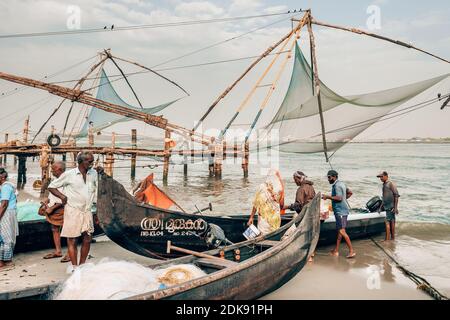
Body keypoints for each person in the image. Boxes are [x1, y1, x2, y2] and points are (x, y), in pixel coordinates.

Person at [48, 151, 98, 273]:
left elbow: (96, 190)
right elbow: (52, 186)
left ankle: (82, 265)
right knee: (73, 239)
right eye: (89, 161)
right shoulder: (69, 174)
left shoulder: (94, 173)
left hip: (87, 210)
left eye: (92, 161)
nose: (92, 164)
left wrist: (98, 209)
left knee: (87, 238)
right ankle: (75, 267)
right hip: (72, 210)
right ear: (80, 161)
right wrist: (62, 197)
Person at [39, 161, 70, 262]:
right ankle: (58, 251)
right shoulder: (56, 180)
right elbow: (53, 194)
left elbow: (66, 198)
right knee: (54, 228)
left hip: (63, 208)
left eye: (53, 169)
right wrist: (47, 201)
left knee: (69, 230)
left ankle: (70, 253)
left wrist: (52, 208)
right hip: (54, 207)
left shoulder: (67, 180)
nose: (51, 171)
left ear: (60, 170)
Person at [322, 170, 356, 259]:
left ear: (334, 177)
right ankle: (336, 250)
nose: (328, 179)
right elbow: (350, 193)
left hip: (340, 212)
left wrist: (327, 197)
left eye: (329, 177)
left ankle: (351, 251)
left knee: (341, 231)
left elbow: (339, 198)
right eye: (327, 177)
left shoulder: (336, 185)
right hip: (344, 211)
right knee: (340, 232)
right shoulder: (342, 184)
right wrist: (345, 200)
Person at [247, 170, 285, 235]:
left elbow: (256, 204)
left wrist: (251, 217)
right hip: (275, 219)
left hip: (263, 218)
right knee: (274, 235)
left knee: (262, 236)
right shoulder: (280, 189)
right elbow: (281, 205)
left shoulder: (261, 187)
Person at [0, 168, 19, 270]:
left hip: (6, 213)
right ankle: (7, 260)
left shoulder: (5, 187)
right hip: (10, 212)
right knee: (7, 236)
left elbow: (4, 204)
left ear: (2, 177)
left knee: (4, 237)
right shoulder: (10, 185)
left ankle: (4, 261)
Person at [377, 171, 400, 240]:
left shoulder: (390, 184)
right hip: (387, 206)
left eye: (382, 176)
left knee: (387, 223)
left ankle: (387, 240)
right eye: (380, 177)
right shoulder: (384, 185)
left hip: (390, 207)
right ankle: (392, 238)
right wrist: (380, 208)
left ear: (386, 176)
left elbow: (396, 195)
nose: (380, 178)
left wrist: (395, 208)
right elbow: (384, 198)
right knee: (392, 222)